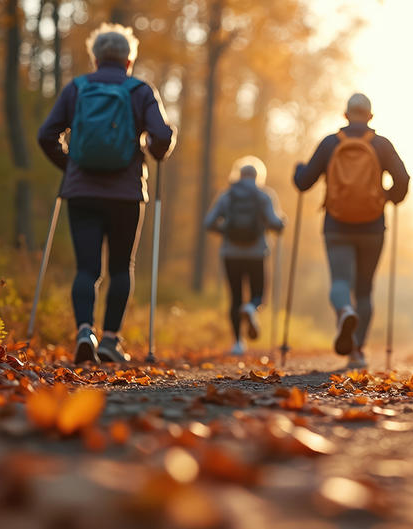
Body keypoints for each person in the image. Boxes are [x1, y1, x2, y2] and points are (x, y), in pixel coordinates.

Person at [38, 23, 175, 364]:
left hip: (81, 191)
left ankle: (85, 330)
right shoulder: (140, 90)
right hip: (126, 193)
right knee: (119, 267)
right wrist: (157, 147)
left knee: (86, 268)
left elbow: (47, 135)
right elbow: (160, 137)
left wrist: (69, 165)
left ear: (95, 58)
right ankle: (111, 340)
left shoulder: (77, 88)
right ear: (129, 61)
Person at [294, 94, 410, 368]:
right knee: (365, 289)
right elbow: (403, 180)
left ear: (345, 115)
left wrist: (298, 170)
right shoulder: (381, 145)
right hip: (372, 226)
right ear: (370, 116)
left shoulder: (330, 143)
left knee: (340, 283)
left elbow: (303, 182)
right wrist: (388, 197)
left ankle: (345, 311)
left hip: (337, 225)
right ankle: (357, 351)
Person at [204, 158, 285, 356]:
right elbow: (275, 223)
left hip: (230, 254)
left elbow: (208, 222)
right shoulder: (264, 195)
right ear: (258, 176)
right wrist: (280, 223)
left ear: (238, 174)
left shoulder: (227, 195)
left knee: (235, 297)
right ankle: (251, 308)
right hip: (257, 253)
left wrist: (226, 230)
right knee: (259, 293)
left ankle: (238, 343)